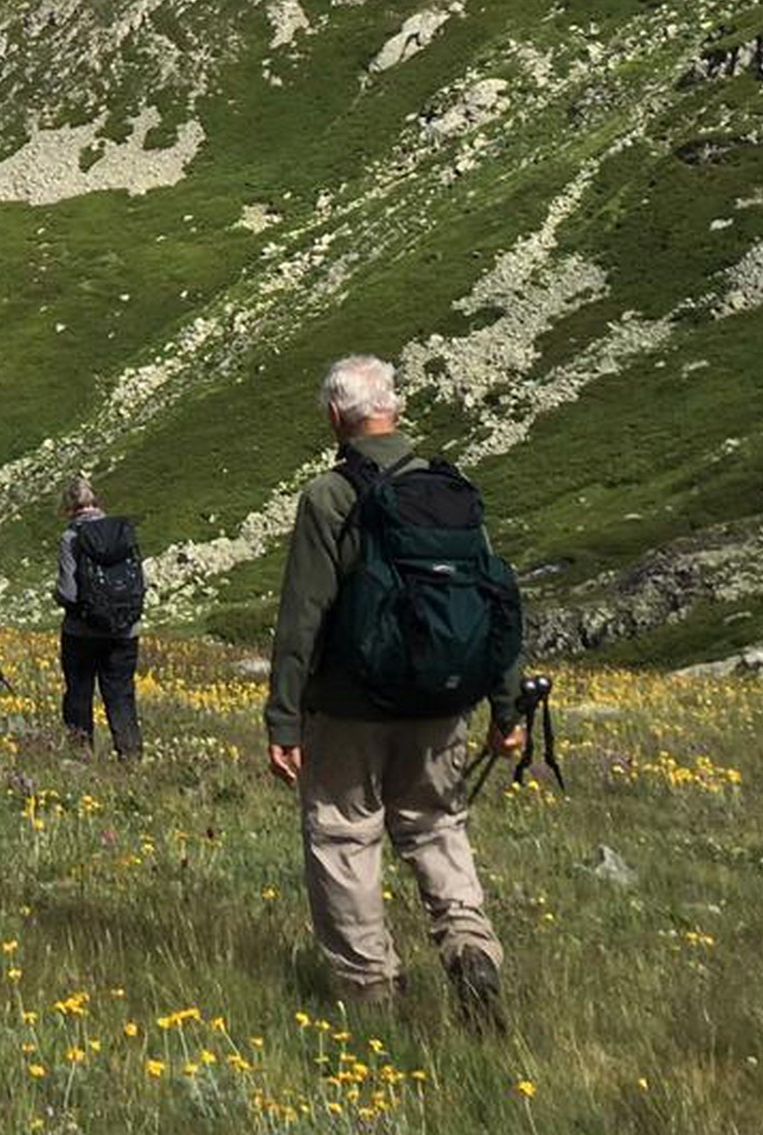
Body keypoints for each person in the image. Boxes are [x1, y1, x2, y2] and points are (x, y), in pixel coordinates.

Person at [265, 355, 525, 1024]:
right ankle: (470, 946)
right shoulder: (449, 490)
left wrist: (283, 720)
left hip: (350, 706)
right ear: (397, 410)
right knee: (438, 825)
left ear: (334, 418)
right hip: (442, 700)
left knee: (345, 835)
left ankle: (370, 990)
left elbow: (303, 615)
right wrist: (507, 705)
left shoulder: (329, 497)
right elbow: (492, 599)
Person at [56, 473, 144, 759]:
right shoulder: (122, 531)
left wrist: (56, 595)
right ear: (96, 501)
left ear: (69, 508)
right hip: (125, 630)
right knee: (120, 693)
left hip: (82, 632)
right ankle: (130, 754)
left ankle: (81, 753)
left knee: (79, 692)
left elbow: (69, 592)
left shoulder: (71, 537)